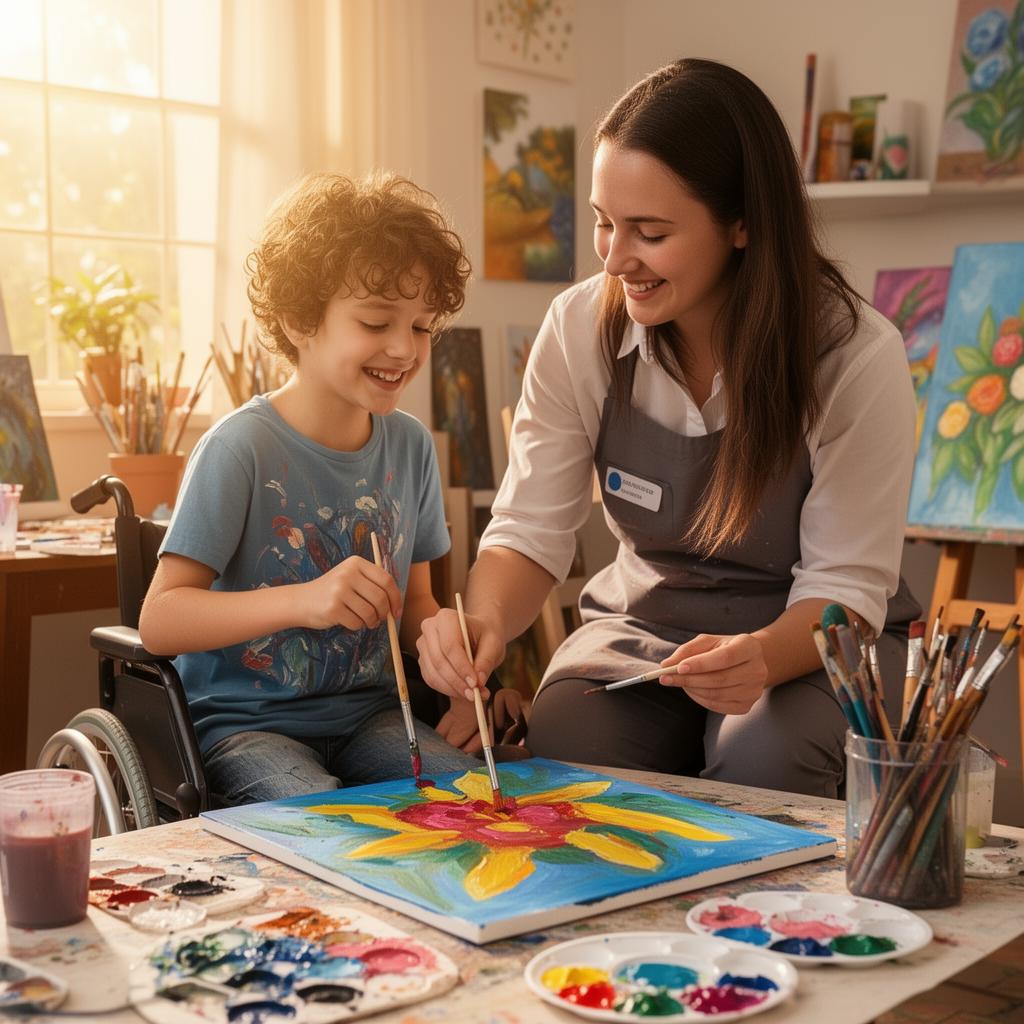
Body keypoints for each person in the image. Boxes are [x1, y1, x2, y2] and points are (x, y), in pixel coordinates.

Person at [416, 59, 920, 798]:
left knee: (764, 758)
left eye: (649, 232)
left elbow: (844, 584)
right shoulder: (577, 329)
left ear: (743, 223)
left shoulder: (853, 353)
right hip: (646, 632)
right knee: (569, 736)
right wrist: (482, 620)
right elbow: (530, 528)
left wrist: (759, 657)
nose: (616, 258)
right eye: (603, 222)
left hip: (812, 640)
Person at [139, 171, 480, 804]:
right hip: (244, 729)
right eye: (375, 322)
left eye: (421, 326)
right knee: (320, 825)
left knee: (470, 802)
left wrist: (445, 647)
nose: (404, 349)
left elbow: (417, 603)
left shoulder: (411, 446)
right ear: (299, 320)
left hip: (375, 720)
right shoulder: (239, 448)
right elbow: (160, 620)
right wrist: (306, 600)